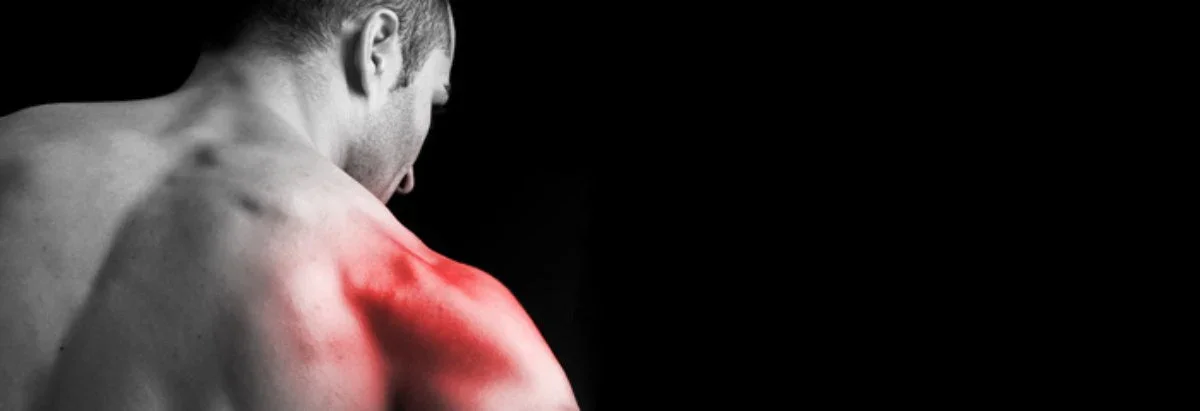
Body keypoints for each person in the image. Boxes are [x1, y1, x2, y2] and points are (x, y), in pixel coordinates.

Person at [0, 0, 579, 409]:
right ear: (378, 47)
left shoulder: (13, 150)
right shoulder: (424, 302)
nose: (408, 179)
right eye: (433, 101)